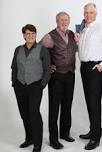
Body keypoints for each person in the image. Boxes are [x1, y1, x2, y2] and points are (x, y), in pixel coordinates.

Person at [75, 3, 102, 150]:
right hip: (84, 67)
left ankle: (96, 137)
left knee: (95, 102)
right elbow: (81, 49)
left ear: (96, 14)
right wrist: (77, 41)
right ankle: (92, 130)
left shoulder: (101, 29)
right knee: (89, 101)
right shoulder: (82, 29)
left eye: (91, 12)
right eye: (86, 13)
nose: (88, 15)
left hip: (95, 67)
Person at [40, 11, 77, 150]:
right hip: (56, 77)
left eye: (66, 20)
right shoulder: (50, 36)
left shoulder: (73, 34)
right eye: (62, 20)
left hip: (70, 74)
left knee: (67, 105)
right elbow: (39, 51)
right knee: (54, 108)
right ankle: (53, 140)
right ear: (57, 21)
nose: (64, 22)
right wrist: (48, 65)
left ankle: (65, 133)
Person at [11, 24, 51, 152]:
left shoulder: (42, 50)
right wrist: (14, 83)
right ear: (24, 35)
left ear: (36, 35)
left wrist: (42, 85)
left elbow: (47, 70)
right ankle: (29, 138)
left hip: (35, 85)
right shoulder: (18, 50)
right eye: (28, 34)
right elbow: (14, 67)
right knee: (24, 114)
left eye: (33, 33)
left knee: (34, 113)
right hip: (20, 86)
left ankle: (37, 143)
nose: (31, 36)